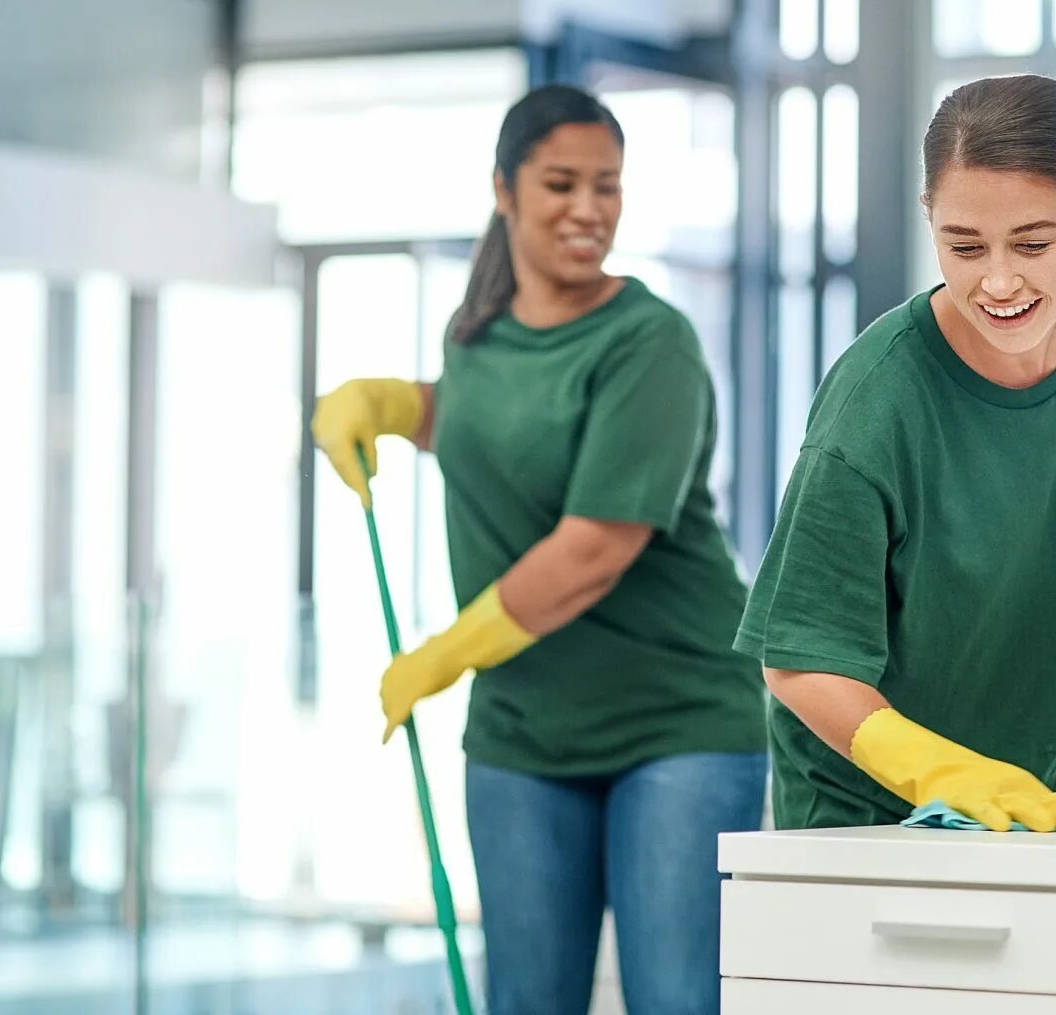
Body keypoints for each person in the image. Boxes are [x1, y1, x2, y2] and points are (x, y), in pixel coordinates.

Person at [311, 84, 766, 1015]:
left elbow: (594, 549)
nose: (588, 208)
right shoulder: (477, 332)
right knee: (524, 1001)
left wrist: (442, 656)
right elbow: (500, 424)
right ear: (504, 190)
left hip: (674, 727)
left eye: (608, 186)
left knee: (674, 999)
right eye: (561, 183)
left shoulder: (651, 344)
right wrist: (402, 406)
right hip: (523, 733)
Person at [733, 74, 1056, 834]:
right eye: (964, 245)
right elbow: (798, 659)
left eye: (1034, 243)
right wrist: (938, 772)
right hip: (872, 811)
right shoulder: (877, 400)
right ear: (930, 222)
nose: (1000, 280)